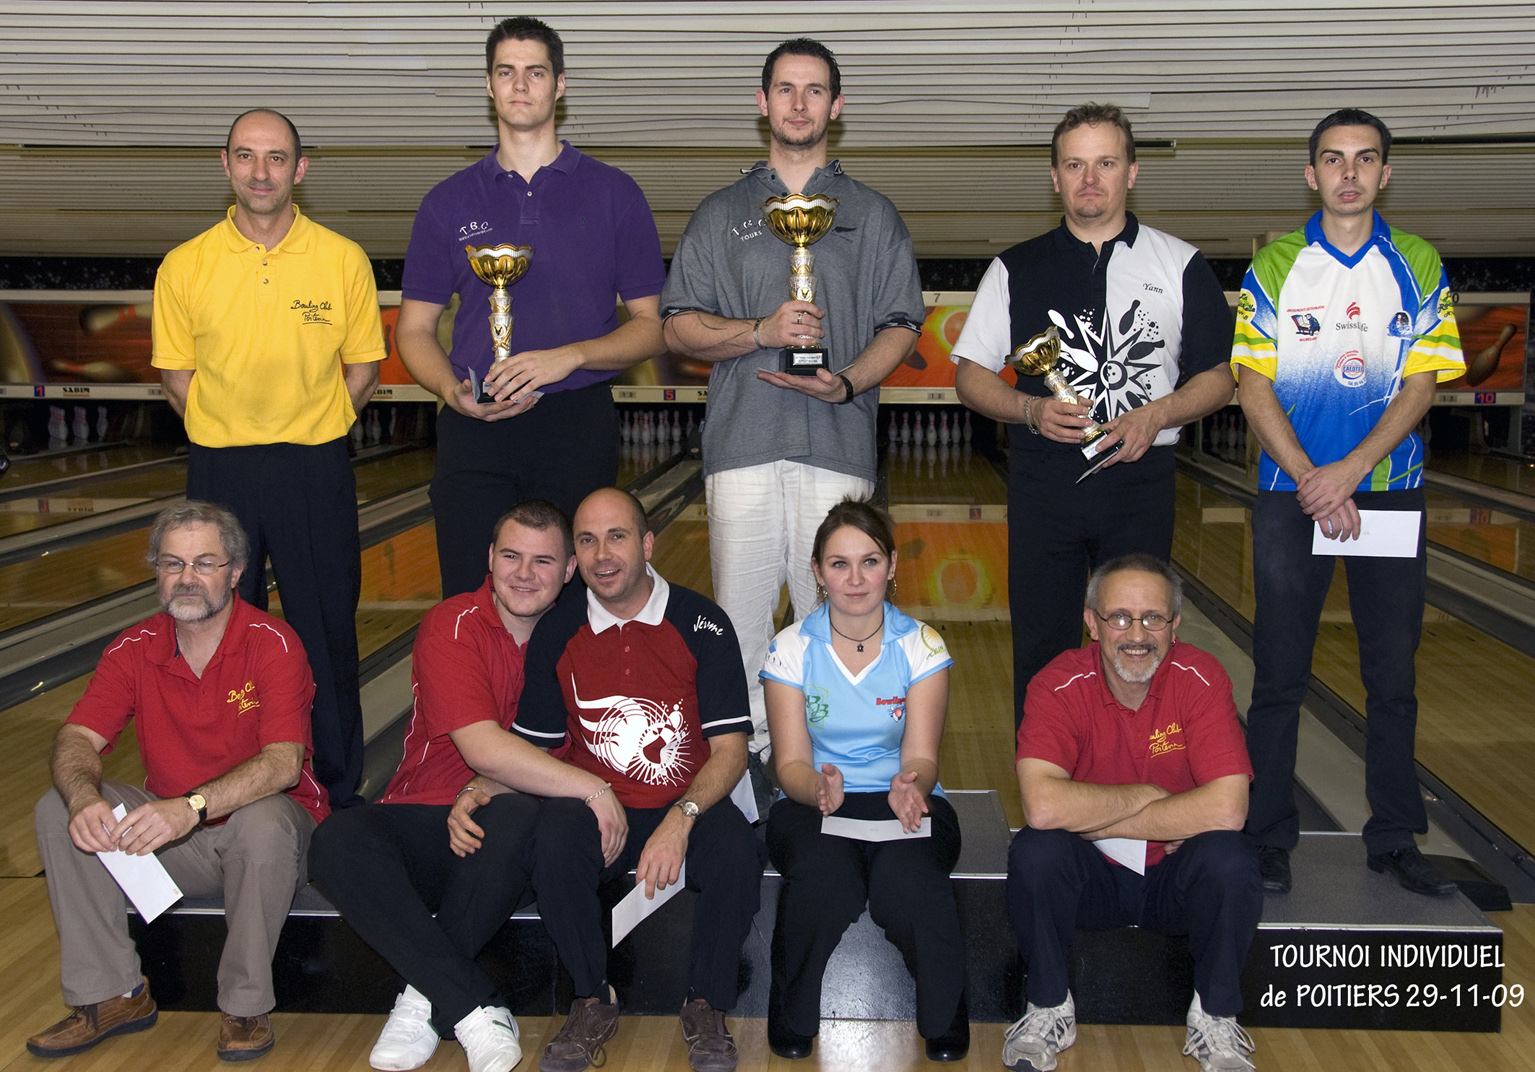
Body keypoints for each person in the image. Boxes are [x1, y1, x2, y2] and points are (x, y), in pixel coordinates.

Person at [661, 37, 925, 765]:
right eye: (785, 89)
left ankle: (834, 771)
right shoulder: (720, 213)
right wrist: (760, 331)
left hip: (837, 447)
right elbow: (677, 326)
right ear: (763, 103)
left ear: (835, 107)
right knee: (741, 628)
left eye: (814, 91)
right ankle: (744, 775)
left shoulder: (871, 214)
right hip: (741, 450)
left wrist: (847, 381)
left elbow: (901, 324)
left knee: (840, 625)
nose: (799, 103)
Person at [1232, 109, 1466, 898]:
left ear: (1384, 174)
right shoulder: (1275, 265)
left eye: (1364, 159)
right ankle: (1266, 835)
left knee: (1390, 677)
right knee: (1278, 675)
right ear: (1311, 174)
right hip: (1288, 493)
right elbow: (1252, 386)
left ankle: (1393, 838)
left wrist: (1351, 471)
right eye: (1333, 159)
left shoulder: (1417, 261)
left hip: (1388, 492)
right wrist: (1311, 477)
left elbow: (1421, 383)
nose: (1348, 172)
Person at [309, 501, 627, 1072]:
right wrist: (593, 788)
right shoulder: (452, 623)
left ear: (568, 570)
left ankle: (422, 1003)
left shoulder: (587, 636)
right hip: (429, 823)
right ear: (489, 558)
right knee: (337, 839)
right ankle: (473, 1006)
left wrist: (501, 791)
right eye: (511, 556)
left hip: (514, 846)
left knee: (514, 814)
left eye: (543, 561)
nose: (524, 574)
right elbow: (481, 749)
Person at [950, 103, 1235, 727]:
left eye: (1105, 163)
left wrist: (1157, 414)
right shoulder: (1015, 267)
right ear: (1055, 176)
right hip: (1043, 481)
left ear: (1131, 172)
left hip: (1140, 481)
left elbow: (1218, 379)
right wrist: (1029, 408)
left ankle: (1139, 771)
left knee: (1140, 643)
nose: (1089, 179)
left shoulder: (1180, 264)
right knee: (1042, 643)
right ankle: (1044, 778)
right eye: (1075, 165)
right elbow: (970, 375)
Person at [28, 501, 328, 1062]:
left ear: (236, 572)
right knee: (57, 807)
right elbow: (76, 739)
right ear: (157, 571)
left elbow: (283, 764)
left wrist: (188, 807)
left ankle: (244, 1007)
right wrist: (83, 796)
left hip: (274, 841)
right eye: (172, 563)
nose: (187, 578)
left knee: (262, 821)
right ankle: (113, 996)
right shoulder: (134, 647)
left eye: (205, 563)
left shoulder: (273, 642)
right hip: (178, 844)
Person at [152, 107, 385, 810]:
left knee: (326, 626)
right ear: (225, 164)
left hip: (314, 465)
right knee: (217, 629)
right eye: (247, 156)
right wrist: (226, 428)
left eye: (276, 157)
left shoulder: (341, 258)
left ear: (299, 169)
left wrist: (315, 427)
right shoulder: (185, 264)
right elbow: (175, 377)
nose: (261, 171)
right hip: (221, 469)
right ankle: (228, 783)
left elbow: (363, 370)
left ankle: (336, 789)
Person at [397, 16, 667, 598]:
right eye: (506, 72)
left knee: (571, 605)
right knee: (469, 596)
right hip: (475, 423)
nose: (520, 85)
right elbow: (414, 330)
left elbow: (652, 328)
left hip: (575, 421)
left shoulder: (615, 193)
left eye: (536, 72)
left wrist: (570, 356)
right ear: (489, 85)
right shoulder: (446, 201)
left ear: (560, 85)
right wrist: (449, 391)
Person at [503, 487, 760, 1072]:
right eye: (588, 541)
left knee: (736, 851)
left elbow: (731, 752)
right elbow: (533, 751)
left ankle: (706, 1005)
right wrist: (479, 786)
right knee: (552, 838)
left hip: (688, 802)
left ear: (647, 544)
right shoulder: (558, 630)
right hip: (598, 810)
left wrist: (681, 818)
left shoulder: (702, 623)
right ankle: (592, 999)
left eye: (616, 537)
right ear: (575, 557)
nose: (603, 555)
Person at [1004, 554, 1260, 1072]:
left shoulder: (1202, 677)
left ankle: (1215, 1018)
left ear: (1175, 625)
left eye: (1153, 618)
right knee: (1036, 850)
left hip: (1173, 879)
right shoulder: (1057, 683)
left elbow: (1229, 808)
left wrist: (1092, 817)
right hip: (1093, 879)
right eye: (1119, 617)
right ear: (1092, 622)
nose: (1137, 634)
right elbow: (1043, 806)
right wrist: (1156, 802)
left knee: (1231, 857)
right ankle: (1048, 1008)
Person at [761, 499, 968, 1062]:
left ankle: (945, 1014)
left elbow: (922, 755)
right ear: (817, 571)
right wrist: (816, 789)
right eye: (839, 564)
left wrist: (912, 784)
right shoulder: (791, 649)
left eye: (870, 562)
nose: (855, 579)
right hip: (813, 800)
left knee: (909, 883)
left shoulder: (922, 645)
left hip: (904, 797)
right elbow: (790, 764)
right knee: (823, 881)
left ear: (892, 565)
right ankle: (791, 1013)